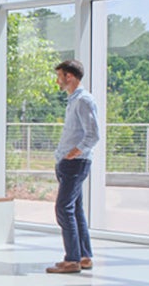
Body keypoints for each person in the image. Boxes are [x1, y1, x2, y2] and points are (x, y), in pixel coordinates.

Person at [46, 59, 99, 274]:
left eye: (60, 76)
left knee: (63, 208)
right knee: (75, 209)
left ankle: (72, 259)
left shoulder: (84, 100)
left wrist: (73, 153)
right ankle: (84, 256)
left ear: (70, 76)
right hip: (69, 163)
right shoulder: (73, 100)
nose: (58, 81)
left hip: (75, 164)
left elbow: (93, 135)